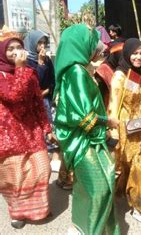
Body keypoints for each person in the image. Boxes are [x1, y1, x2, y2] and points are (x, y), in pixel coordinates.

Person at [53, 24, 120, 235]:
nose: (97, 47)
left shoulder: (77, 69)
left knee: (88, 186)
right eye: (92, 42)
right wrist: (108, 121)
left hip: (86, 138)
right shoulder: (76, 72)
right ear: (81, 44)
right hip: (83, 140)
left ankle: (81, 226)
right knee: (100, 187)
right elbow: (84, 116)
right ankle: (91, 230)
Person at [0, 35, 53, 229]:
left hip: (32, 130)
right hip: (8, 134)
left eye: (18, 47)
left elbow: (37, 102)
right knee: (15, 178)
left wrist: (46, 127)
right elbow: (13, 96)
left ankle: (38, 209)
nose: (15, 52)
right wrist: (21, 68)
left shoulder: (30, 73)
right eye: (10, 49)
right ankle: (17, 213)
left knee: (42, 169)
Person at [108, 38, 141, 225]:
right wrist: (113, 134)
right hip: (125, 129)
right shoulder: (120, 76)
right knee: (133, 166)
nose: (138, 57)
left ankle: (120, 194)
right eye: (135, 53)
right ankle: (138, 207)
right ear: (127, 54)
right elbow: (113, 105)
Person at [24, 30, 59, 168]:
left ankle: (50, 154)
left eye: (44, 43)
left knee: (48, 125)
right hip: (32, 101)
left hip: (45, 98)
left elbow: (51, 78)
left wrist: (48, 91)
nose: (42, 46)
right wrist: (40, 64)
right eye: (39, 43)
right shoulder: (27, 61)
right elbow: (34, 81)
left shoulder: (47, 60)